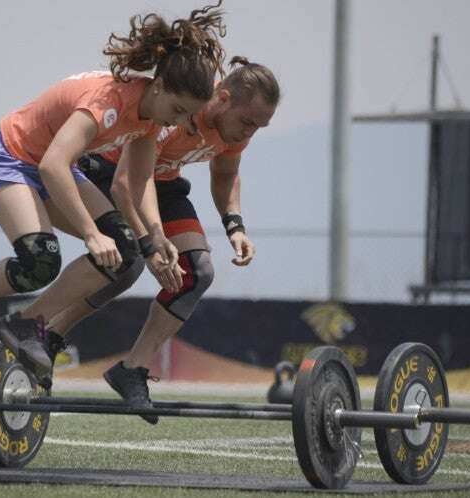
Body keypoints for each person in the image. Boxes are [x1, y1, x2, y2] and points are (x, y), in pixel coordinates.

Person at [0, 2, 227, 386]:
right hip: (7, 157)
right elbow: (52, 165)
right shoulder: (108, 103)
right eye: (178, 109)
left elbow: (134, 187)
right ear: (158, 87)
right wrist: (90, 232)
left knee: (125, 252)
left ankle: (26, 325)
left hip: (52, 167)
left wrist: (155, 240)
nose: (180, 121)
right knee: (40, 260)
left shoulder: (149, 120)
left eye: (187, 115)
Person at [27, 57, 280, 423]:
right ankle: (50, 335)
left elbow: (225, 175)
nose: (249, 133)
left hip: (162, 185)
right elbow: (128, 184)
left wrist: (235, 226)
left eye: (260, 127)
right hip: (110, 174)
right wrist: (150, 245)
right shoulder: (176, 117)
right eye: (247, 122)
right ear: (222, 99)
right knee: (124, 263)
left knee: (198, 272)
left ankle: (132, 369)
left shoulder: (233, 133)